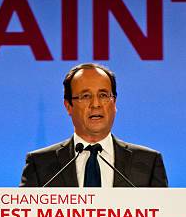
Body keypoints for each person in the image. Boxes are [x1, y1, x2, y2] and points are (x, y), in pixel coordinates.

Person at [20, 62, 168, 188]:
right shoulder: (39, 164)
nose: (96, 104)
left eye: (103, 95)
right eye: (85, 96)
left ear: (114, 103)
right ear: (68, 106)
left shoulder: (148, 162)